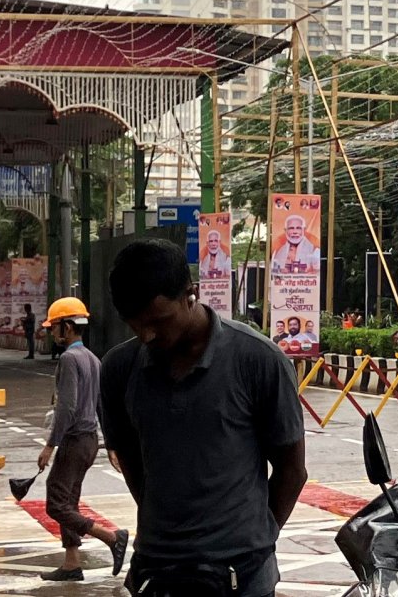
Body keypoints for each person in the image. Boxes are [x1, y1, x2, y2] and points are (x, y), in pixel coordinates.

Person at [101, 239, 306, 597]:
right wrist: (165, 525)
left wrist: (255, 538)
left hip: (241, 575)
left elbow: (292, 469)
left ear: (190, 294)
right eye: (134, 325)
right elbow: (131, 461)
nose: (147, 335)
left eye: (158, 321)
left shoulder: (257, 360)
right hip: (156, 568)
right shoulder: (119, 369)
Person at [37, 297, 129, 582]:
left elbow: (66, 408)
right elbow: (103, 405)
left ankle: (111, 537)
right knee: (70, 500)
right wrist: (110, 444)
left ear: (67, 327)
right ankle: (71, 562)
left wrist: (50, 446)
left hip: (74, 441)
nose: (52, 333)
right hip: (90, 441)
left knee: (56, 503)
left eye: (54, 327)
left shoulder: (69, 359)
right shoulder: (92, 358)